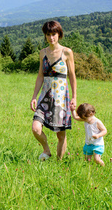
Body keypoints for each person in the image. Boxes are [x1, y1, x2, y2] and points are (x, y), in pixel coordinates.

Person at [30, 20, 77, 161]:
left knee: (60, 135)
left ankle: (59, 163)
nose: (51, 37)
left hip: (61, 99)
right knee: (36, 128)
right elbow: (40, 75)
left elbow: (72, 76)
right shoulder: (42, 53)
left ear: (59, 34)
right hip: (44, 96)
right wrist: (34, 96)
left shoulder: (67, 52)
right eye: (48, 34)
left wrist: (74, 97)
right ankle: (46, 151)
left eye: (54, 34)